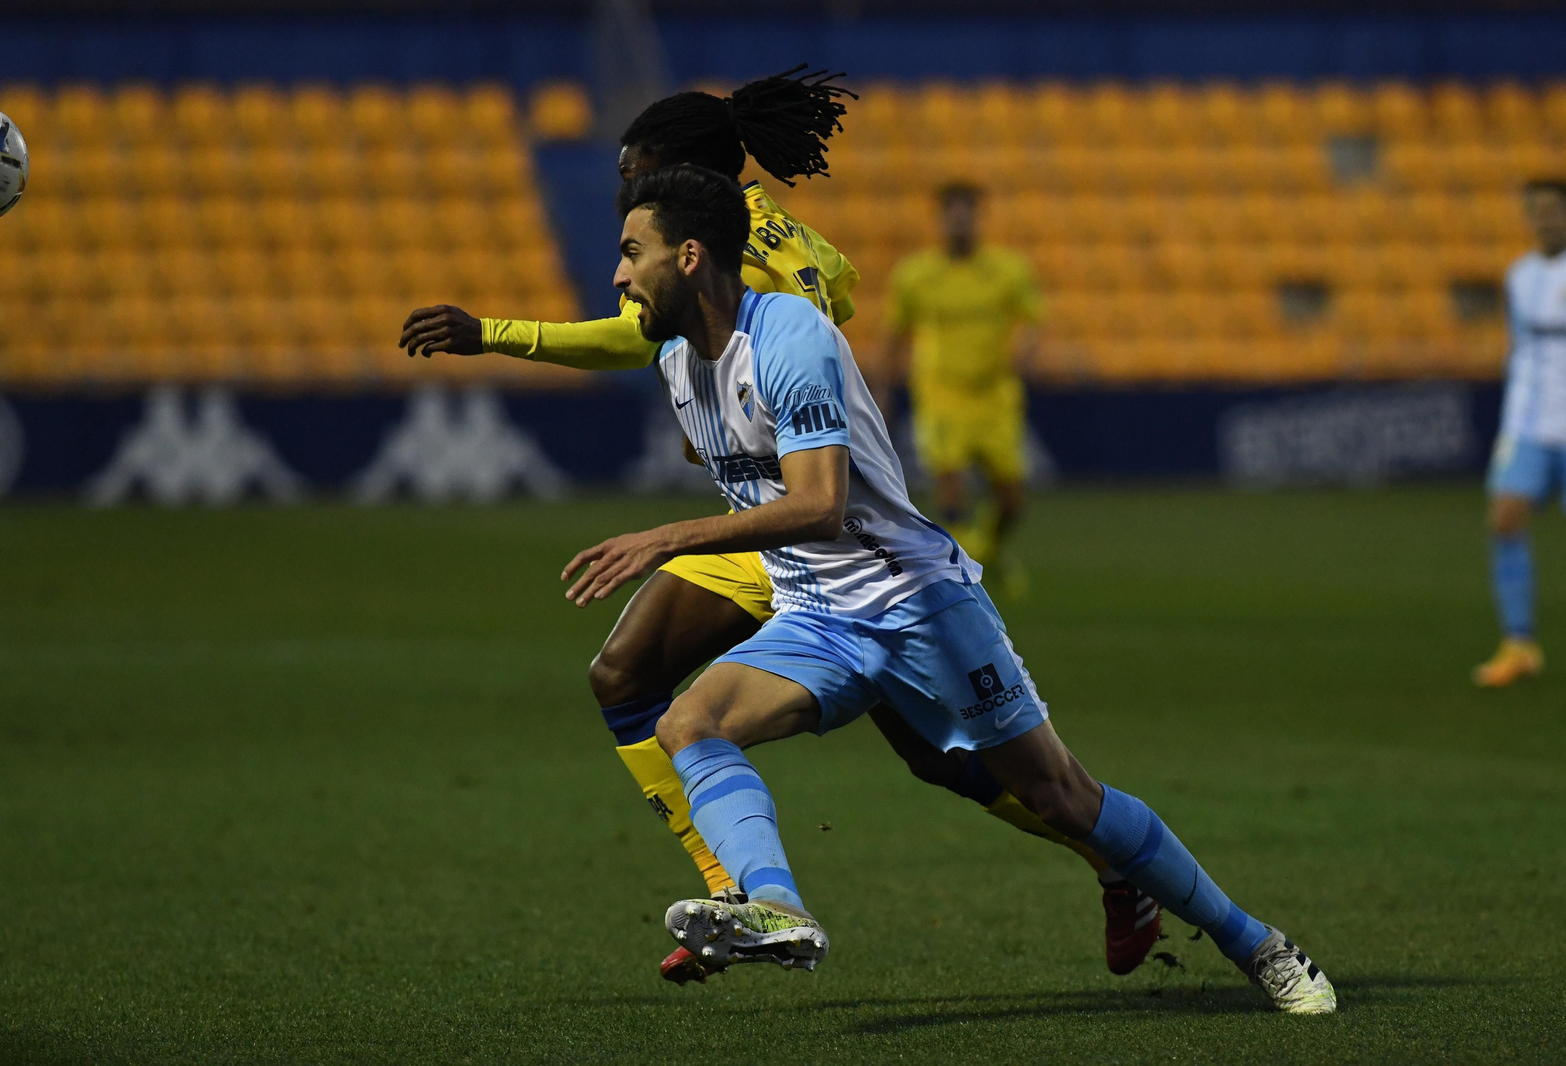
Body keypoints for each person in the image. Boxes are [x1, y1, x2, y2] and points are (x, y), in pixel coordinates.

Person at [397, 69, 1158, 984]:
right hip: (774, 523)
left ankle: (1117, 858)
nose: (626, 190)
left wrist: (497, 333)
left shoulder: (723, 248)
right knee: (629, 675)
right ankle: (734, 886)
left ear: (684, 178)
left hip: (812, 538)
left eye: (640, 171)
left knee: (953, 760)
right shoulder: (786, 236)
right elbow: (825, 297)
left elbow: (643, 336)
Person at [562, 164, 1336, 1014]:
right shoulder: (677, 360)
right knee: (690, 723)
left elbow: (821, 505)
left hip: (915, 603)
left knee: (1061, 795)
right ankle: (776, 906)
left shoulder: (790, 337)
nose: (617, 274)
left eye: (633, 252)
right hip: (816, 618)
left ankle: (1257, 944)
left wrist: (666, 537)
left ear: (690, 256)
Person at [884, 183, 1040, 582]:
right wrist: (884, 391)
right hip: (940, 394)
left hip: (994, 396)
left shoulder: (1007, 270)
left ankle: (982, 552)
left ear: (976, 218)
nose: (959, 222)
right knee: (951, 487)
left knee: (1012, 499)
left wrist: (1024, 351)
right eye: (951, 215)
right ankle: (961, 573)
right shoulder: (916, 275)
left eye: (966, 214)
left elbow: (1032, 321)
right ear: (941, 221)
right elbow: (896, 335)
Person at [1474, 178, 1566, 687]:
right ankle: (1519, 643)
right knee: (1504, 520)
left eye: (1555, 209)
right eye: (1537, 210)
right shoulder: (1518, 275)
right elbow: (1519, 345)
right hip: (1528, 420)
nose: (1547, 218)